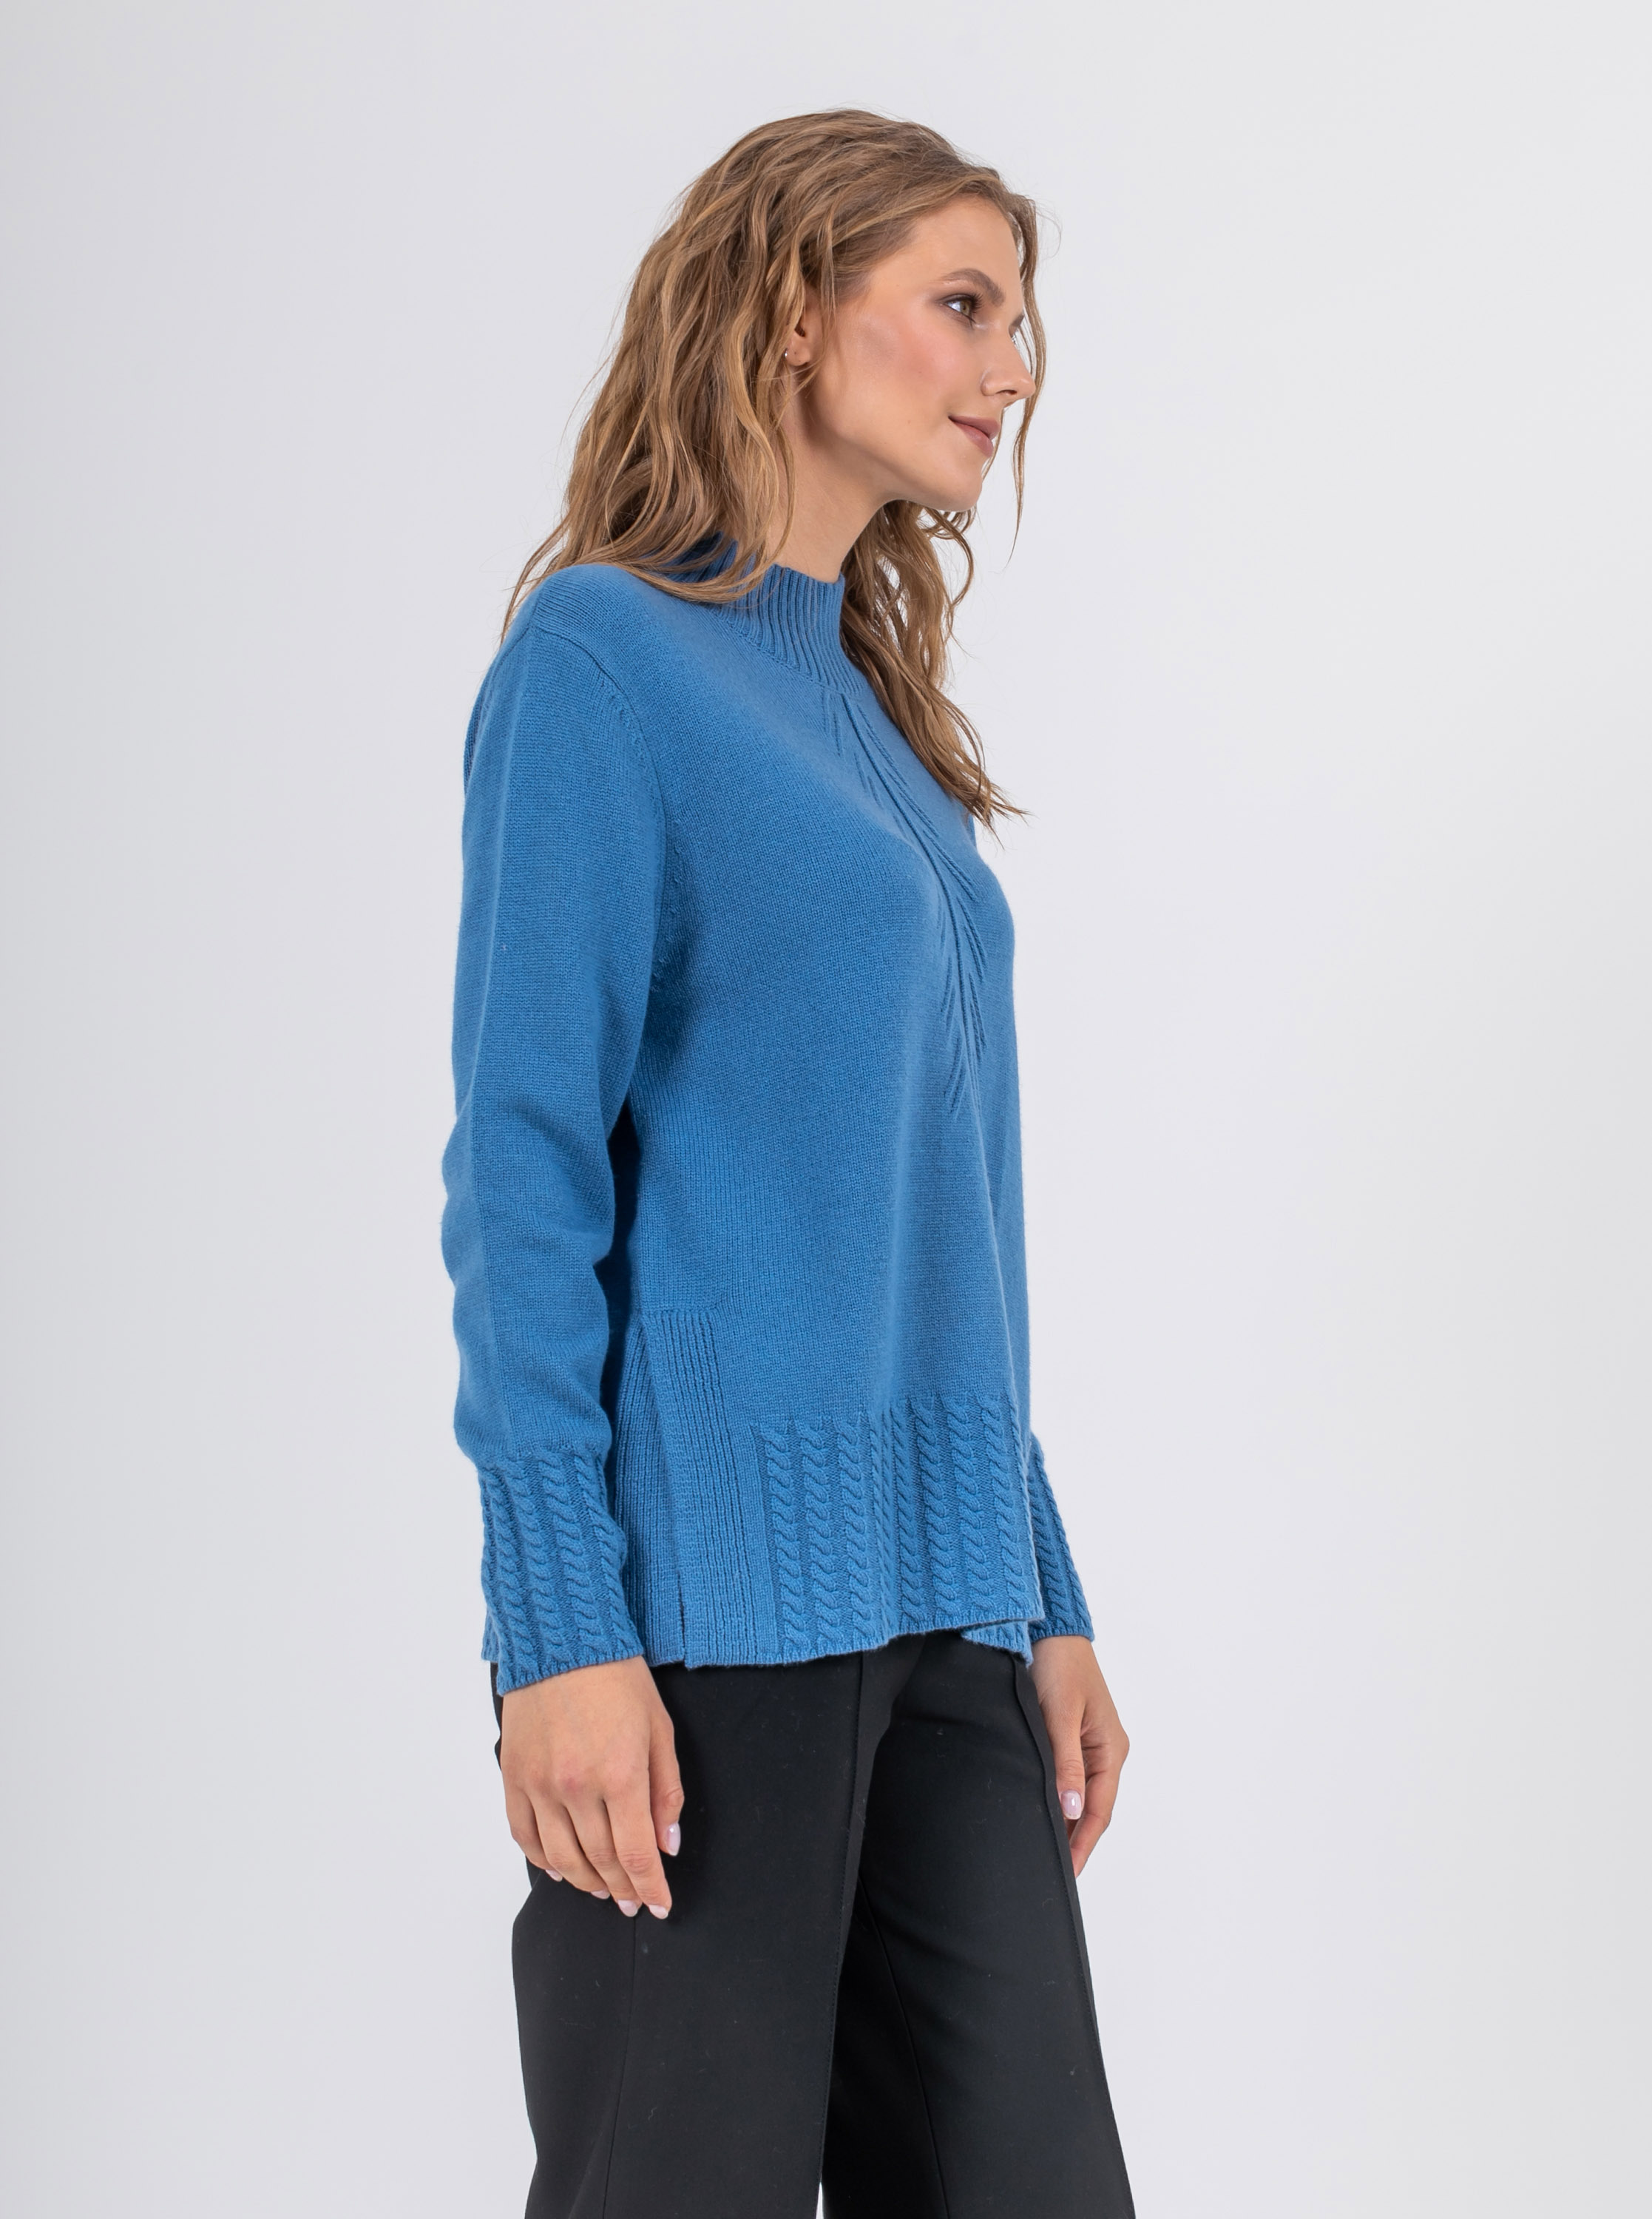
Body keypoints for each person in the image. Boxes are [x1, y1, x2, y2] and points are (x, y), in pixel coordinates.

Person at [441, 109, 1136, 2219]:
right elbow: (525, 1174)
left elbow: (950, 1221)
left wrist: (1040, 1588)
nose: (1007, 368)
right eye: (961, 306)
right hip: (706, 1630)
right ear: (786, 312)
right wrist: (556, 1631)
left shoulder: (874, 719)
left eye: (1017, 321)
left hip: (947, 1613)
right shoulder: (602, 663)